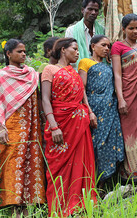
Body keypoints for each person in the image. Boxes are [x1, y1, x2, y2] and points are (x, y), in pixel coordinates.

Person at [0, 39, 45, 218]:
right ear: (9, 54)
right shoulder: (2, 75)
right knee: (13, 164)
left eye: (25, 51)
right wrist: (1, 128)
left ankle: (27, 205)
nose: (24, 54)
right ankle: (14, 207)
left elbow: (38, 99)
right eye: (19, 51)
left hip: (31, 127)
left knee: (30, 162)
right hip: (12, 126)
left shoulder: (31, 73)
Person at [41, 38, 97, 217]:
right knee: (59, 166)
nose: (78, 52)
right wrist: (53, 126)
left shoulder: (74, 72)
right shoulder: (50, 70)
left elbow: (82, 96)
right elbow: (45, 99)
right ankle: (60, 207)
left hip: (80, 125)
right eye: (74, 49)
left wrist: (90, 112)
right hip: (60, 123)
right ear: (63, 50)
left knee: (81, 162)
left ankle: (81, 203)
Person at [78, 35, 125, 190]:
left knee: (112, 143)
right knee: (96, 144)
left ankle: (105, 185)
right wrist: (90, 111)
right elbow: (82, 89)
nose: (107, 49)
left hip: (110, 110)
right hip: (94, 108)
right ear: (93, 46)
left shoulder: (109, 67)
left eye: (108, 46)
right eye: (103, 45)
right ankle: (94, 185)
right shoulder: (85, 62)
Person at [111, 14, 137, 183]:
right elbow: (117, 75)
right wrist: (120, 98)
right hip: (127, 94)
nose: (135, 31)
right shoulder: (118, 47)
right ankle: (131, 174)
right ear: (123, 29)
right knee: (130, 132)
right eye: (131, 28)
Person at [65, 0, 105, 68]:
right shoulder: (71, 31)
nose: (93, 12)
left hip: (100, 71)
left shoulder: (103, 31)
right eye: (90, 9)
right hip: (79, 71)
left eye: (96, 10)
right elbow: (67, 55)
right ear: (83, 10)